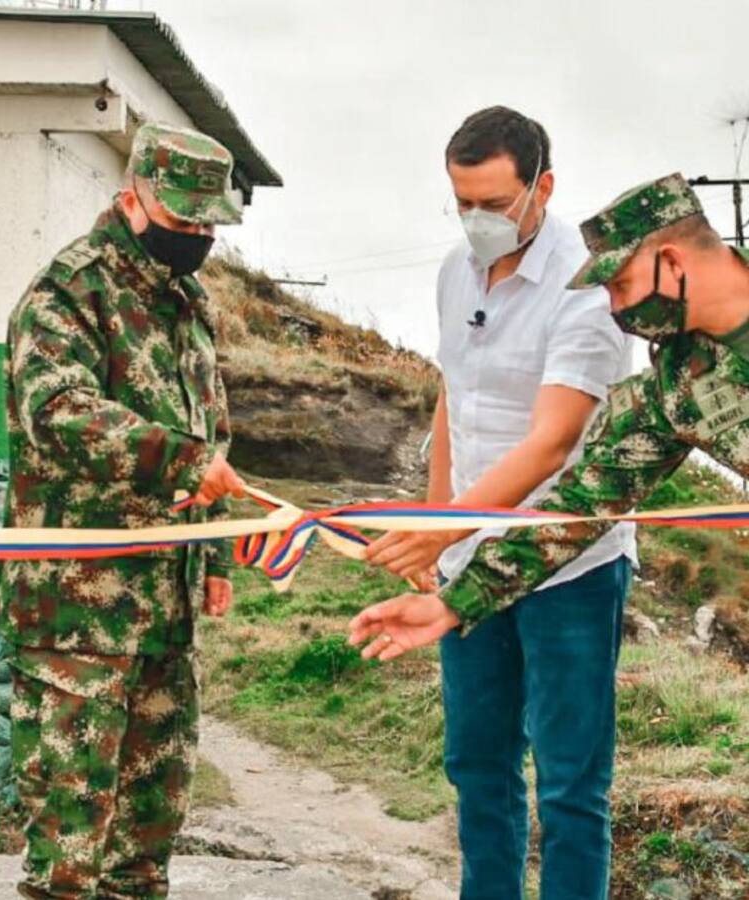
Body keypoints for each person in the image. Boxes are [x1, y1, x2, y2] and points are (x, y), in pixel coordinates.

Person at [351, 172, 749, 891]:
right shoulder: (677, 387)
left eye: (623, 286)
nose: (615, 308)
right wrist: (454, 602)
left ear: (674, 261)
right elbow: (578, 504)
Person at [361, 106, 635, 900]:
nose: (476, 220)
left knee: (570, 781)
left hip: (569, 567)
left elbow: (551, 441)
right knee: (478, 764)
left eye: (493, 202)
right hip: (469, 561)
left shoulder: (589, 287)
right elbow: (456, 398)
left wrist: (448, 525)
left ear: (542, 188)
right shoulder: (455, 271)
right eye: (462, 202)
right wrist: (434, 525)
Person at [0, 121, 246, 900]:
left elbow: (214, 430)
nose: (198, 236)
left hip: (163, 613)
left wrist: (213, 555)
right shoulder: (69, 292)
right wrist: (179, 459)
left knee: (147, 843)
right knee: (69, 853)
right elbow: (59, 409)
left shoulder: (188, 302)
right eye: (183, 221)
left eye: (209, 224)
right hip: (78, 613)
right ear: (132, 198)